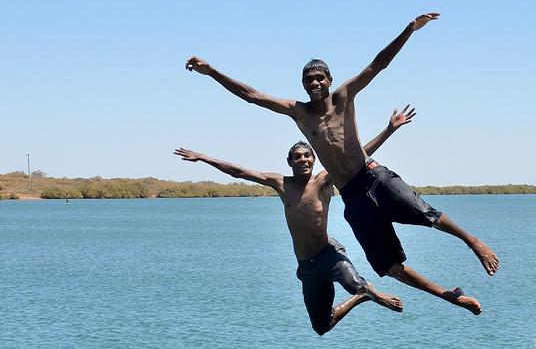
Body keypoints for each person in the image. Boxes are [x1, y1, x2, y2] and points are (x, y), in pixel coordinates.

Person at [185, 12, 499, 315]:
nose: (314, 83)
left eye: (319, 78)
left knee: (424, 213)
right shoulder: (299, 112)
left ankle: (473, 242)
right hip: (352, 196)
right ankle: (450, 297)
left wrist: (409, 30)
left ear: (330, 79)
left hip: (374, 177)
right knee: (388, 267)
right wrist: (212, 71)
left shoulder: (344, 96)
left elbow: (378, 64)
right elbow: (252, 95)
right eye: (308, 80)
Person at [174, 108, 415, 335]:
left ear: (314, 160)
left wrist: (389, 130)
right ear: (289, 162)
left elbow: (356, 156)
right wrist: (202, 157)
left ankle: (371, 293)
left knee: (355, 283)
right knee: (322, 326)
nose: (303, 160)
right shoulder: (281, 184)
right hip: (306, 265)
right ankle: (361, 297)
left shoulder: (322, 180)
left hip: (328, 254)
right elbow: (239, 172)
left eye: (307, 156)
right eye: (297, 157)